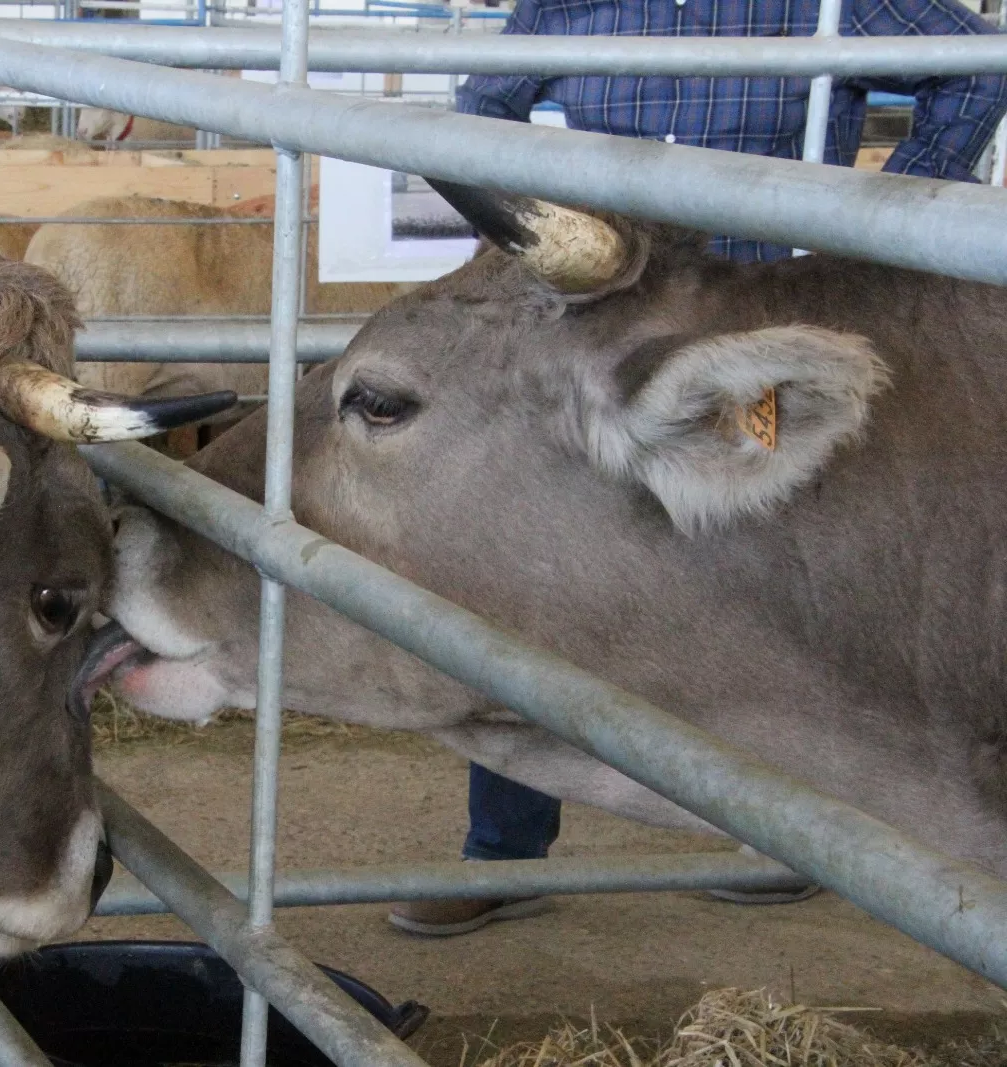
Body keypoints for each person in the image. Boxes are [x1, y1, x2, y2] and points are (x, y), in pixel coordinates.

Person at [388, 0, 1007, 938]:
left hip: (757, 364)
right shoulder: (566, 7)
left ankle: (783, 836)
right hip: (601, 366)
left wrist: (872, 229)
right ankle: (500, 849)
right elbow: (478, 113)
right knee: (528, 583)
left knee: (789, 592)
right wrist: (536, 253)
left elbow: (978, 64)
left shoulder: (827, 2)